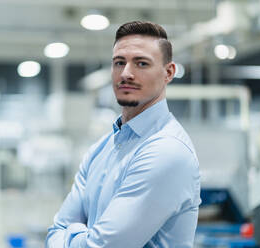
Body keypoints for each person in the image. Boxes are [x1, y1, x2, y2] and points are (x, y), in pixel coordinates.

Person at [45, 21, 201, 248]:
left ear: (168, 72)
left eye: (141, 63)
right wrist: (80, 236)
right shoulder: (102, 148)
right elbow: (54, 232)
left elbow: (103, 246)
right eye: (119, 62)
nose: (126, 73)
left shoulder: (167, 150)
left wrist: (73, 232)